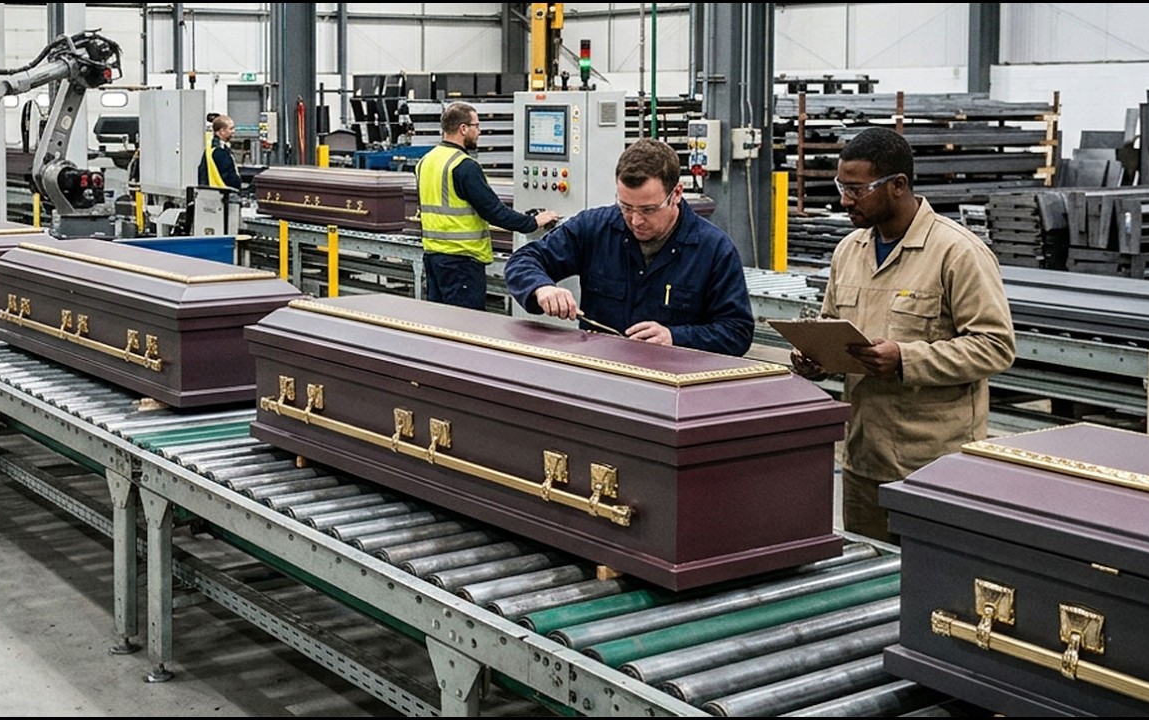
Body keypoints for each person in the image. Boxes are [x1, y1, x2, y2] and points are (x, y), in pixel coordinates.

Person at [789, 126, 1016, 544]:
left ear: (898, 186)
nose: (845, 201)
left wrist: (905, 359)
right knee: (870, 570)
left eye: (857, 190)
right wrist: (816, 358)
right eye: (842, 187)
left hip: (934, 465)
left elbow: (995, 346)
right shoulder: (849, 251)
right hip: (864, 459)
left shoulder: (957, 252)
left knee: (933, 573)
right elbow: (832, 326)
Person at [504, 137, 754, 356]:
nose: (635, 220)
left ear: (677, 193)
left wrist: (675, 337)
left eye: (648, 210)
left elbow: (736, 331)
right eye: (625, 207)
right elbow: (524, 260)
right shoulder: (595, 228)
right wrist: (541, 287)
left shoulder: (713, 249)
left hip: (673, 381)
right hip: (602, 372)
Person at [417, 102, 559, 310]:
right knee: (466, 324)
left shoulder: (425, 161)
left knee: (439, 321)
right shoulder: (463, 166)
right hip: (462, 262)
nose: (479, 132)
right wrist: (533, 222)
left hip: (433, 258)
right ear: (463, 128)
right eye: (476, 126)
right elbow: (495, 212)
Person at [197, 114, 241, 190]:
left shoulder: (210, 148)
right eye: (231, 129)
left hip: (211, 191)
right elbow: (230, 177)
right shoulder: (220, 152)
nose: (233, 131)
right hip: (224, 191)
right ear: (221, 131)